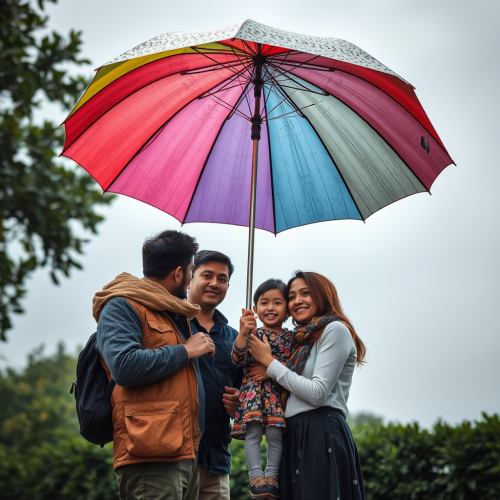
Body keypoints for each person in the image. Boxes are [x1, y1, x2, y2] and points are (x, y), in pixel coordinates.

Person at [93, 230, 216, 500]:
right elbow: (124, 366)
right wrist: (185, 350)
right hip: (150, 456)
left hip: (185, 452)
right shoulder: (122, 305)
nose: (191, 280)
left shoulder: (172, 311)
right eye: (192, 272)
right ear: (178, 273)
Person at [248, 271, 367, 500]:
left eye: (305, 293)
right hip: (292, 432)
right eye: (291, 296)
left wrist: (269, 363)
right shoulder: (299, 340)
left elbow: (316, 393)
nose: (297, 301)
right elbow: (283, 386)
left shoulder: (335, 330)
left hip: (320, 430)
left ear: (323, 295)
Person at [187, 250, 243, 500]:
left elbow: (248, 389)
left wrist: (240, 402)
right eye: (207, 275)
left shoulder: (236, 338)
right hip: (176, 457)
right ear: (189, 278)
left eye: (222, 279)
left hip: (218, 461)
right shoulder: (172, 326)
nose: (214, 283)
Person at [231, 279, 292, 499]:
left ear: (287, 308)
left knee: (276, 435)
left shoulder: (291, 338)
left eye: (277, 302)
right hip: (253, 394)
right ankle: (256, 477)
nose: (271, 308)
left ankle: (272, 476)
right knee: (254, 433)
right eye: (264, 303)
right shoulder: (252, 334)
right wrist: (241, 333)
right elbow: (238, 359)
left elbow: (296, 367)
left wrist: (271, 368)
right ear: (255, 309)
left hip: (276, 394)